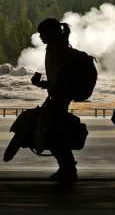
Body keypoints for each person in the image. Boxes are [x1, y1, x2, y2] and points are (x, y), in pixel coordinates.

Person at [31, 18, 78, 181]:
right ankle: (67, 166)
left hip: (59, 96)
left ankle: (68, 167)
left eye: (42, 33)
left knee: (54, 132)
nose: (40, 37)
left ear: (50, 33)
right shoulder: (59, 45)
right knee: (56, 130)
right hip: (60, 95)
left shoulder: (56, 48)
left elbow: (60, 75)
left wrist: (44, 84)